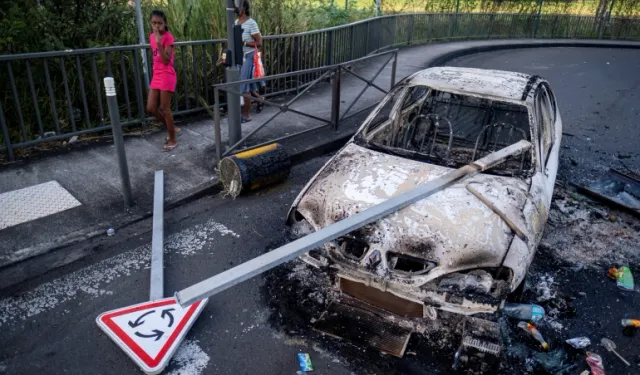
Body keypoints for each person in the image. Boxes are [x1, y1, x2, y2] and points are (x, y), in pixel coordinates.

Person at [146, 9, 179, 152]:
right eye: (154, 23)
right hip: (156, 74)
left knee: (165, 109)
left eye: (159, 23)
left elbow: (166, 61)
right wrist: (156, 41)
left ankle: (172, 139)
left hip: (167, 74)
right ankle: (172, 128)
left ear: (165, 23)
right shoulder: (151, 37)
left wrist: (159, 43)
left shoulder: (168, 38)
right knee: (151, 108)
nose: (157, 26)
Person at [235, 0, 263, 123]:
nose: (236, 8)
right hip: (239, 57)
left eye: (238, 6)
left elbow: (259, 42)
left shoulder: (251, 23)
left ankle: (246, 114)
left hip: (249, 56)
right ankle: (260, 99)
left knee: (244, 84)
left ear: (244, 9)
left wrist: (245, 43)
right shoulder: (236, 22)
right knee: (247, 85)